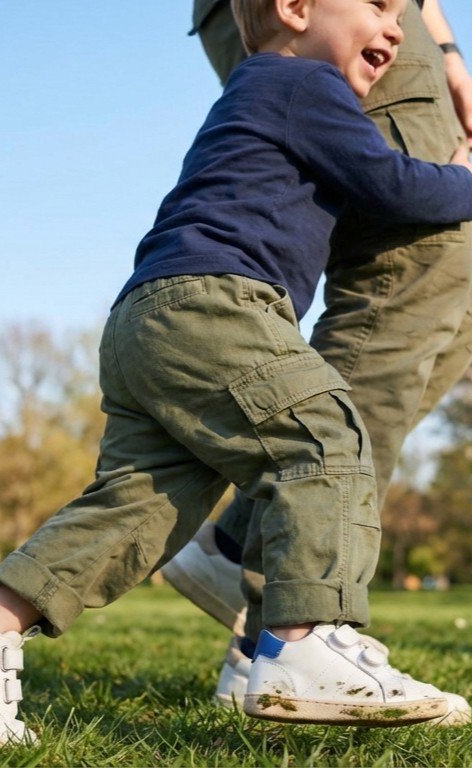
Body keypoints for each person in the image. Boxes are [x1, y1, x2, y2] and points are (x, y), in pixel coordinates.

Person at [0, 0, 472, 745]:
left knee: (143, 507)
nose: (398, 27)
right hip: (217, 304)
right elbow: (392, 184)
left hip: (154, 319)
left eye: (404, 12)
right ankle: (300, 644)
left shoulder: (267, 88)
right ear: (296, 9)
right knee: (327, 437)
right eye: (375, 4)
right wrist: (461, 174)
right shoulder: (305, 85)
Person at [162, 0, 472, 723]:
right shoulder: (314, 42)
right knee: (415, 264)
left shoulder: (389, 22)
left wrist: (448, 49)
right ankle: (300, 630)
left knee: (450, 300)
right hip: (336, 13)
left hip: (405, 28)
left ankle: (249, 547)